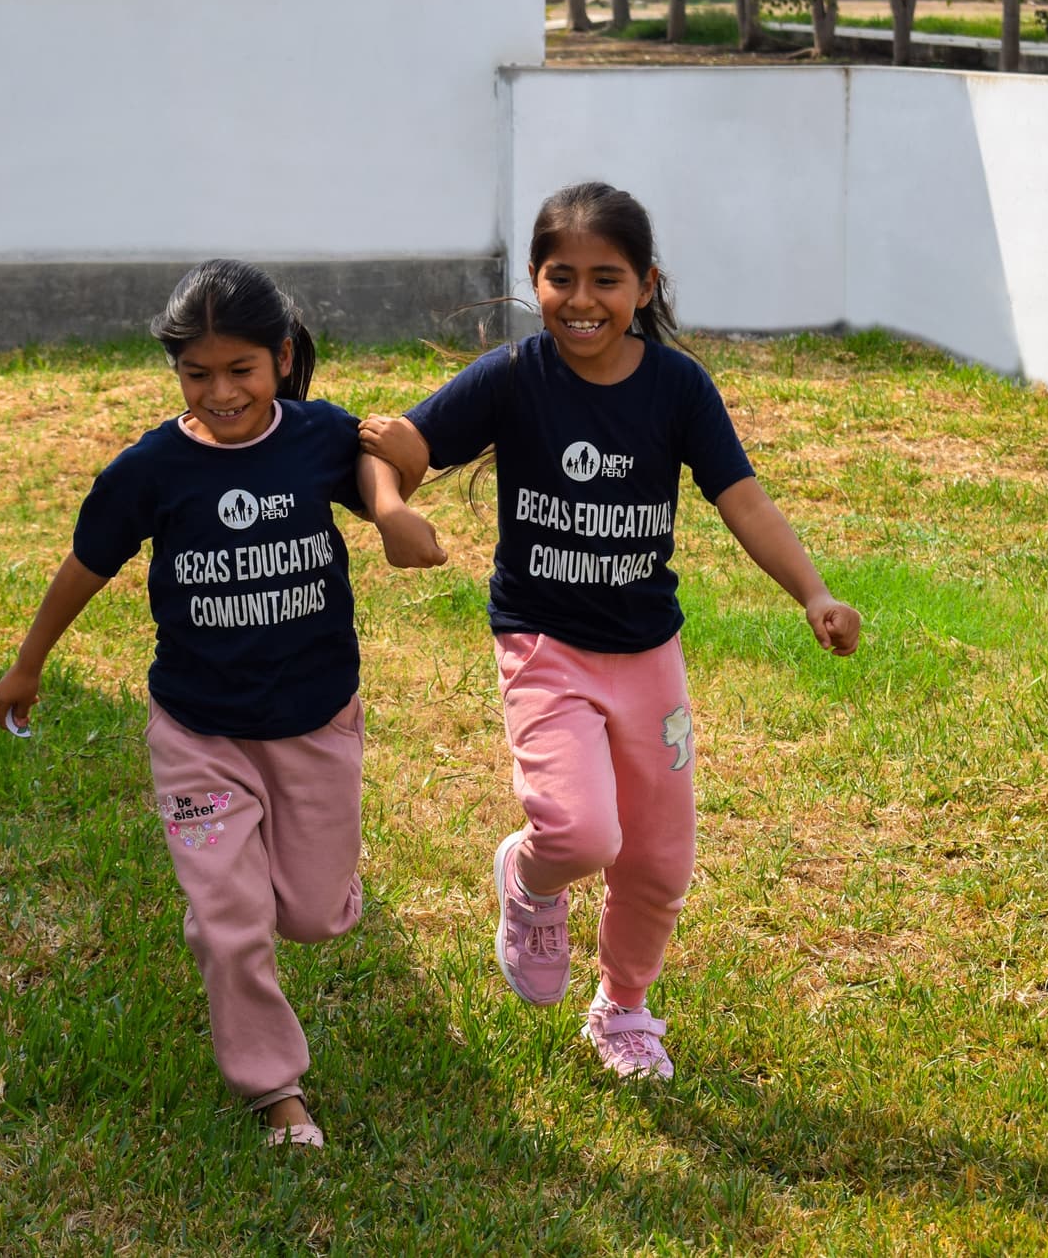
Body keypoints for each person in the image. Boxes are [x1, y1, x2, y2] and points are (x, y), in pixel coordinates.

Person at [360, 182, 861, 1081]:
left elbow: (740, 497)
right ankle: (532, 877)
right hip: (544, 646)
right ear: (534, 279)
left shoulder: (676, 387)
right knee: (583, 833)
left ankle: (623, 1008)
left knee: (662, 860)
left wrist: (813, 593)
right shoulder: (516, 377)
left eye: (607, 278)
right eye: (562, 277)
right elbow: (396, 447)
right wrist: (393, 511)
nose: (582, 299)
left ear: (646, 285)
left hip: (647, 658)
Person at [0, 260, 443, 1147]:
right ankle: (275, 1090)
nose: (220, 391)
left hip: (315, 719)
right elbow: (87, 564)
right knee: (232, 924)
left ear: (281, 357)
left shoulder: (317, 436)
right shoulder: (152, 470)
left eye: (240, 369)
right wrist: (28, 662)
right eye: (197, 373)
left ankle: (268, 889)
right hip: (199, 729)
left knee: (312, 913)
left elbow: (385, 472)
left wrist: (394, 504)